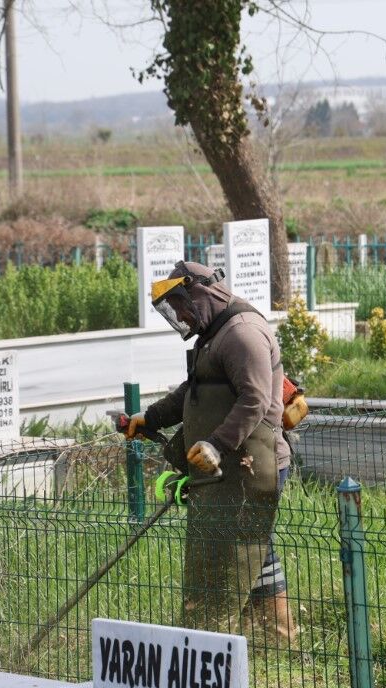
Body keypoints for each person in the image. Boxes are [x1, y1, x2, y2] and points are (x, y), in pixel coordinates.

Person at [126, 260, 298, 641]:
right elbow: (195, 390)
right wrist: (150, 417)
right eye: (175, 310)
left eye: (183, 305)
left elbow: (254, 400)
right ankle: (260, 633)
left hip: (254, 462)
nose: (182, 315)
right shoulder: (214, 334)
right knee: (248, 545)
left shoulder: (242, 334)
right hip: (228, 465)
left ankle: (269, 634)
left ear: (201, 292)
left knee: (246, 547)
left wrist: (217, 445)